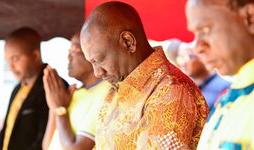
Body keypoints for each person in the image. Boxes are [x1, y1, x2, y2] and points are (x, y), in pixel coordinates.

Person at [80, 2, 209, 149]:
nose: (97, 73)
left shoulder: (172, 91)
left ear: (128, 42)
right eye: (92, 63)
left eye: (100, 60)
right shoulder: (115, 89)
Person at [186, 0, 254, 149]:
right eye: (195, 34)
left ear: (250, 17)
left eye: (205, 30)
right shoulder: (228, 99)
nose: (197, 48)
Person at [0, 27, 66, 150]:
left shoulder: (53, 87)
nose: (11, 67)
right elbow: (7, 129)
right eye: (8, 61)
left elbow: (47, 139)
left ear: (35, 56)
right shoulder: (17, 89)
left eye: (15, 58)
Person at [42, 33, 110, 150]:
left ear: (92, 53)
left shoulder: (107, 92)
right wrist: (54, 107)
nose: (69, 57)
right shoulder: (73, 94)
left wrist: (60, 111)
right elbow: (46, 146)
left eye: (74, 49)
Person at [176, 42, 231, 109]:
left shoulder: (225, 84)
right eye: (180, 59)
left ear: (201, 56)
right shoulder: (185, 93)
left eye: (186, 57)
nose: (183, 63)